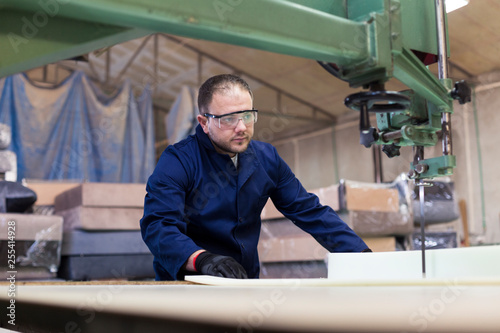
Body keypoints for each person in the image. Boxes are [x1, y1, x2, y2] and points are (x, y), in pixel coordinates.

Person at [140, 74, 370, 281]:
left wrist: (360, 255)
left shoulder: (266, 158)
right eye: (229, 119)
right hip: (188, 284)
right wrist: (201, 259)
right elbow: (158, 226)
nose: (241, 127)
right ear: (204, 123)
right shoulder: (178, 161)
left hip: (244, 282)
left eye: (247, 116)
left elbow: (309, 211)